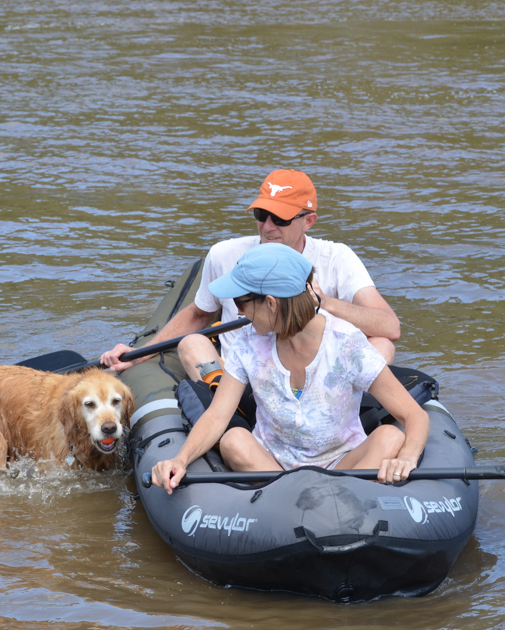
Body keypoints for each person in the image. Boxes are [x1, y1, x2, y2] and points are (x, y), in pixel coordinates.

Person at [149, 243, 429, 494]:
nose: (238, 312)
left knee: (390, 436)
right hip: (272, 466)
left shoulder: (346, 343)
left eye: (241, 302)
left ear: (271, 303)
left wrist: (408, 458)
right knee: (234, 440)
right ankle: (297, 504)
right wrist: (180, 459)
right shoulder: (249, 343)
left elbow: (413, 415)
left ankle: (339, 498)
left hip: (344, 462)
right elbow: (217, 417)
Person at [100, 169, 400, 387]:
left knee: (383, 344)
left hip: (319, 378)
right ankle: (227, 406)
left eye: (280, 219)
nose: (267, 227)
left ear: (309, 221)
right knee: (191, 344)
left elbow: (389, 326)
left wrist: (324, 303)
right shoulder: (223, 254)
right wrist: (137, 355)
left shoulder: (338, 258)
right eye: (261, 214)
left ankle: (337, 404)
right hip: (244, 375)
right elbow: (199, 313)